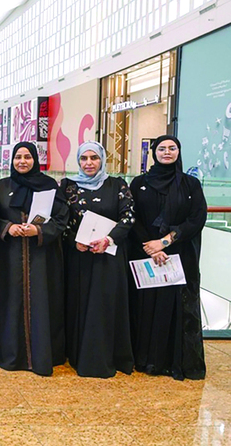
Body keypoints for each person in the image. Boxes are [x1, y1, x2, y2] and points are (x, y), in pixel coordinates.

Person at [129, 135, 207, 380]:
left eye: (172, 148)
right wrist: (151, 247)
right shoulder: (139, 183)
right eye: (161, 148)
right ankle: (149, 360)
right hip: (146, 254)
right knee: (148, 305)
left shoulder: (190, 184)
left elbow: (197, 218)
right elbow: (132, 217)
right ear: (154, 153)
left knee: (178, 307)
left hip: (180, 253)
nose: (167, 152)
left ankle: (179, 362)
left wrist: (164, 242)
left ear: (178, 152)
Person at [0, 142, 68, 376]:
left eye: (27, 157)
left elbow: (62, 218)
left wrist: (39, 231)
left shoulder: (49, 186)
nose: (22, 161)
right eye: (18, 157)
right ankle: (11, 355)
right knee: (10, 301)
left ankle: (42, 355)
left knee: (42, 302)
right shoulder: (2, 186)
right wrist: (8, 227)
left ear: (35, 159)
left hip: (42, 258)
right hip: (10, 257)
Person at [59, 141, 135, 378]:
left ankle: (105, 358)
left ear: (102, 160)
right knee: (80, 304)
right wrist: (74, 241)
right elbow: (60, 220)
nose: (89, 163)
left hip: (108, 258)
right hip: (79, 258)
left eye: (94, 158)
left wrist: (109, 240)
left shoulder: (117, 185)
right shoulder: (68, 186)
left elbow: (128, 217)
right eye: (84, 158)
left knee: (105, 305)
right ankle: (79, 356)